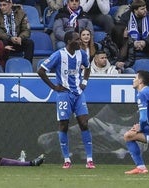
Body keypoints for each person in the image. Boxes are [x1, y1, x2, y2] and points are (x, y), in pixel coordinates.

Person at [37, 31, 95, 169]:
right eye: (77, 40)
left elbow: (87, 67)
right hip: (64, 94)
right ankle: (67, 159)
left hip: (78, 93)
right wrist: (54, 87)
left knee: (84, 123)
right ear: (69, 42)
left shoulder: (82, 54)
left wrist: (85, 82)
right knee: (64, 125)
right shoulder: (59, 55)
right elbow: (41, 70)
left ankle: (89, 159)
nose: (80, 42)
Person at [119, 0, 149, 70]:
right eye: (142, 9)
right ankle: (124, 67)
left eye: (145, 8)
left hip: (146, 42)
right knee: (123, 44)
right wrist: (133, 42)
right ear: (135, 10)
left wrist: (145, 41)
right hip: (131, 43)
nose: (145, 10)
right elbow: (120, 33)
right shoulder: (125, 16)